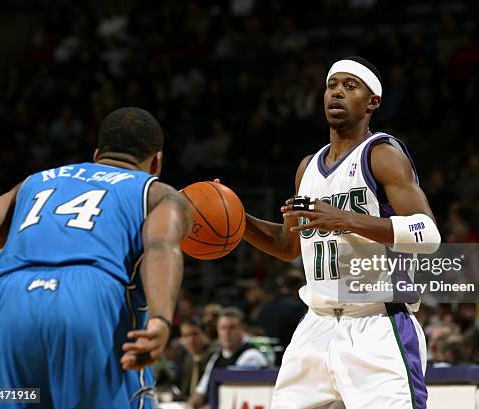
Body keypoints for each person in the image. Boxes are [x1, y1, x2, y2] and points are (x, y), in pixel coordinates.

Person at [243, 56, 440, 409]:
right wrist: (236, 220)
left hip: (377, 325)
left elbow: (427, 234)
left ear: (372, 102)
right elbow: (288, 246)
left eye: (350, 87)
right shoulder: (307, 168)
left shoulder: (382, 154)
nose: (337, 93)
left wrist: (345, 220)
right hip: (315, 327)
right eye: (332, 85)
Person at [0, 107, 193, 409]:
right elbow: (161, 246)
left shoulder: (34, 182)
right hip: (86, 296)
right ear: (156, 161)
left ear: (96, 154)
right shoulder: (157, 192)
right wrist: (160, 319)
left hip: (5, 301)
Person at [186, 307, 268, 409]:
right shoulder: (216, 357)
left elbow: (237, 396)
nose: (227, 332)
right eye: (223, 328)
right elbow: (200, 391)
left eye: (232, 327)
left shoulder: (252, 356)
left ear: (242, 328)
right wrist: (191, 404)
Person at [172, 319, 216, 401]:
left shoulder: (215, 356)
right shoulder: (185, 357)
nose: (190, 340)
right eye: (186, 336)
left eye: (195, 334)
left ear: (205, 334)